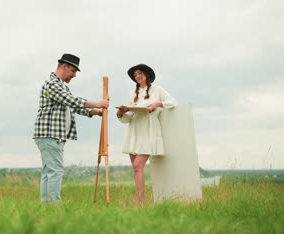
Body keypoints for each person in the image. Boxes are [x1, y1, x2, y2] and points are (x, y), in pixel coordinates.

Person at [33, 53, 109, 202]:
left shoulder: (61, 86)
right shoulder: (52, 84)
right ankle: (54, 206)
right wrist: (97, 103)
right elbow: (71, 100)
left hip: (52, 135)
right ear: (64, 66)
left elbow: (72, 107)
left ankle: (45, 206)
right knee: (55, 171)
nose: (74, 75)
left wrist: (94, 112)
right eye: (73, 71)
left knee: (49, 171)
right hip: (50, 135)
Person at [116, 64, 177, 204]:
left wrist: (158, 104)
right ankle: (141, 201)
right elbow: (128, 117)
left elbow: (173, 101)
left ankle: (139, 200)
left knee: (138, 165)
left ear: (147, 75)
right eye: (135, 75)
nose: (137, 76)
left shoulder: (158, 90)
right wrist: (121, 113)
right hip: (135, 130)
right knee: (136, 168)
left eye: (140, 73)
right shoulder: (132, 93)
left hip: (149, 130)